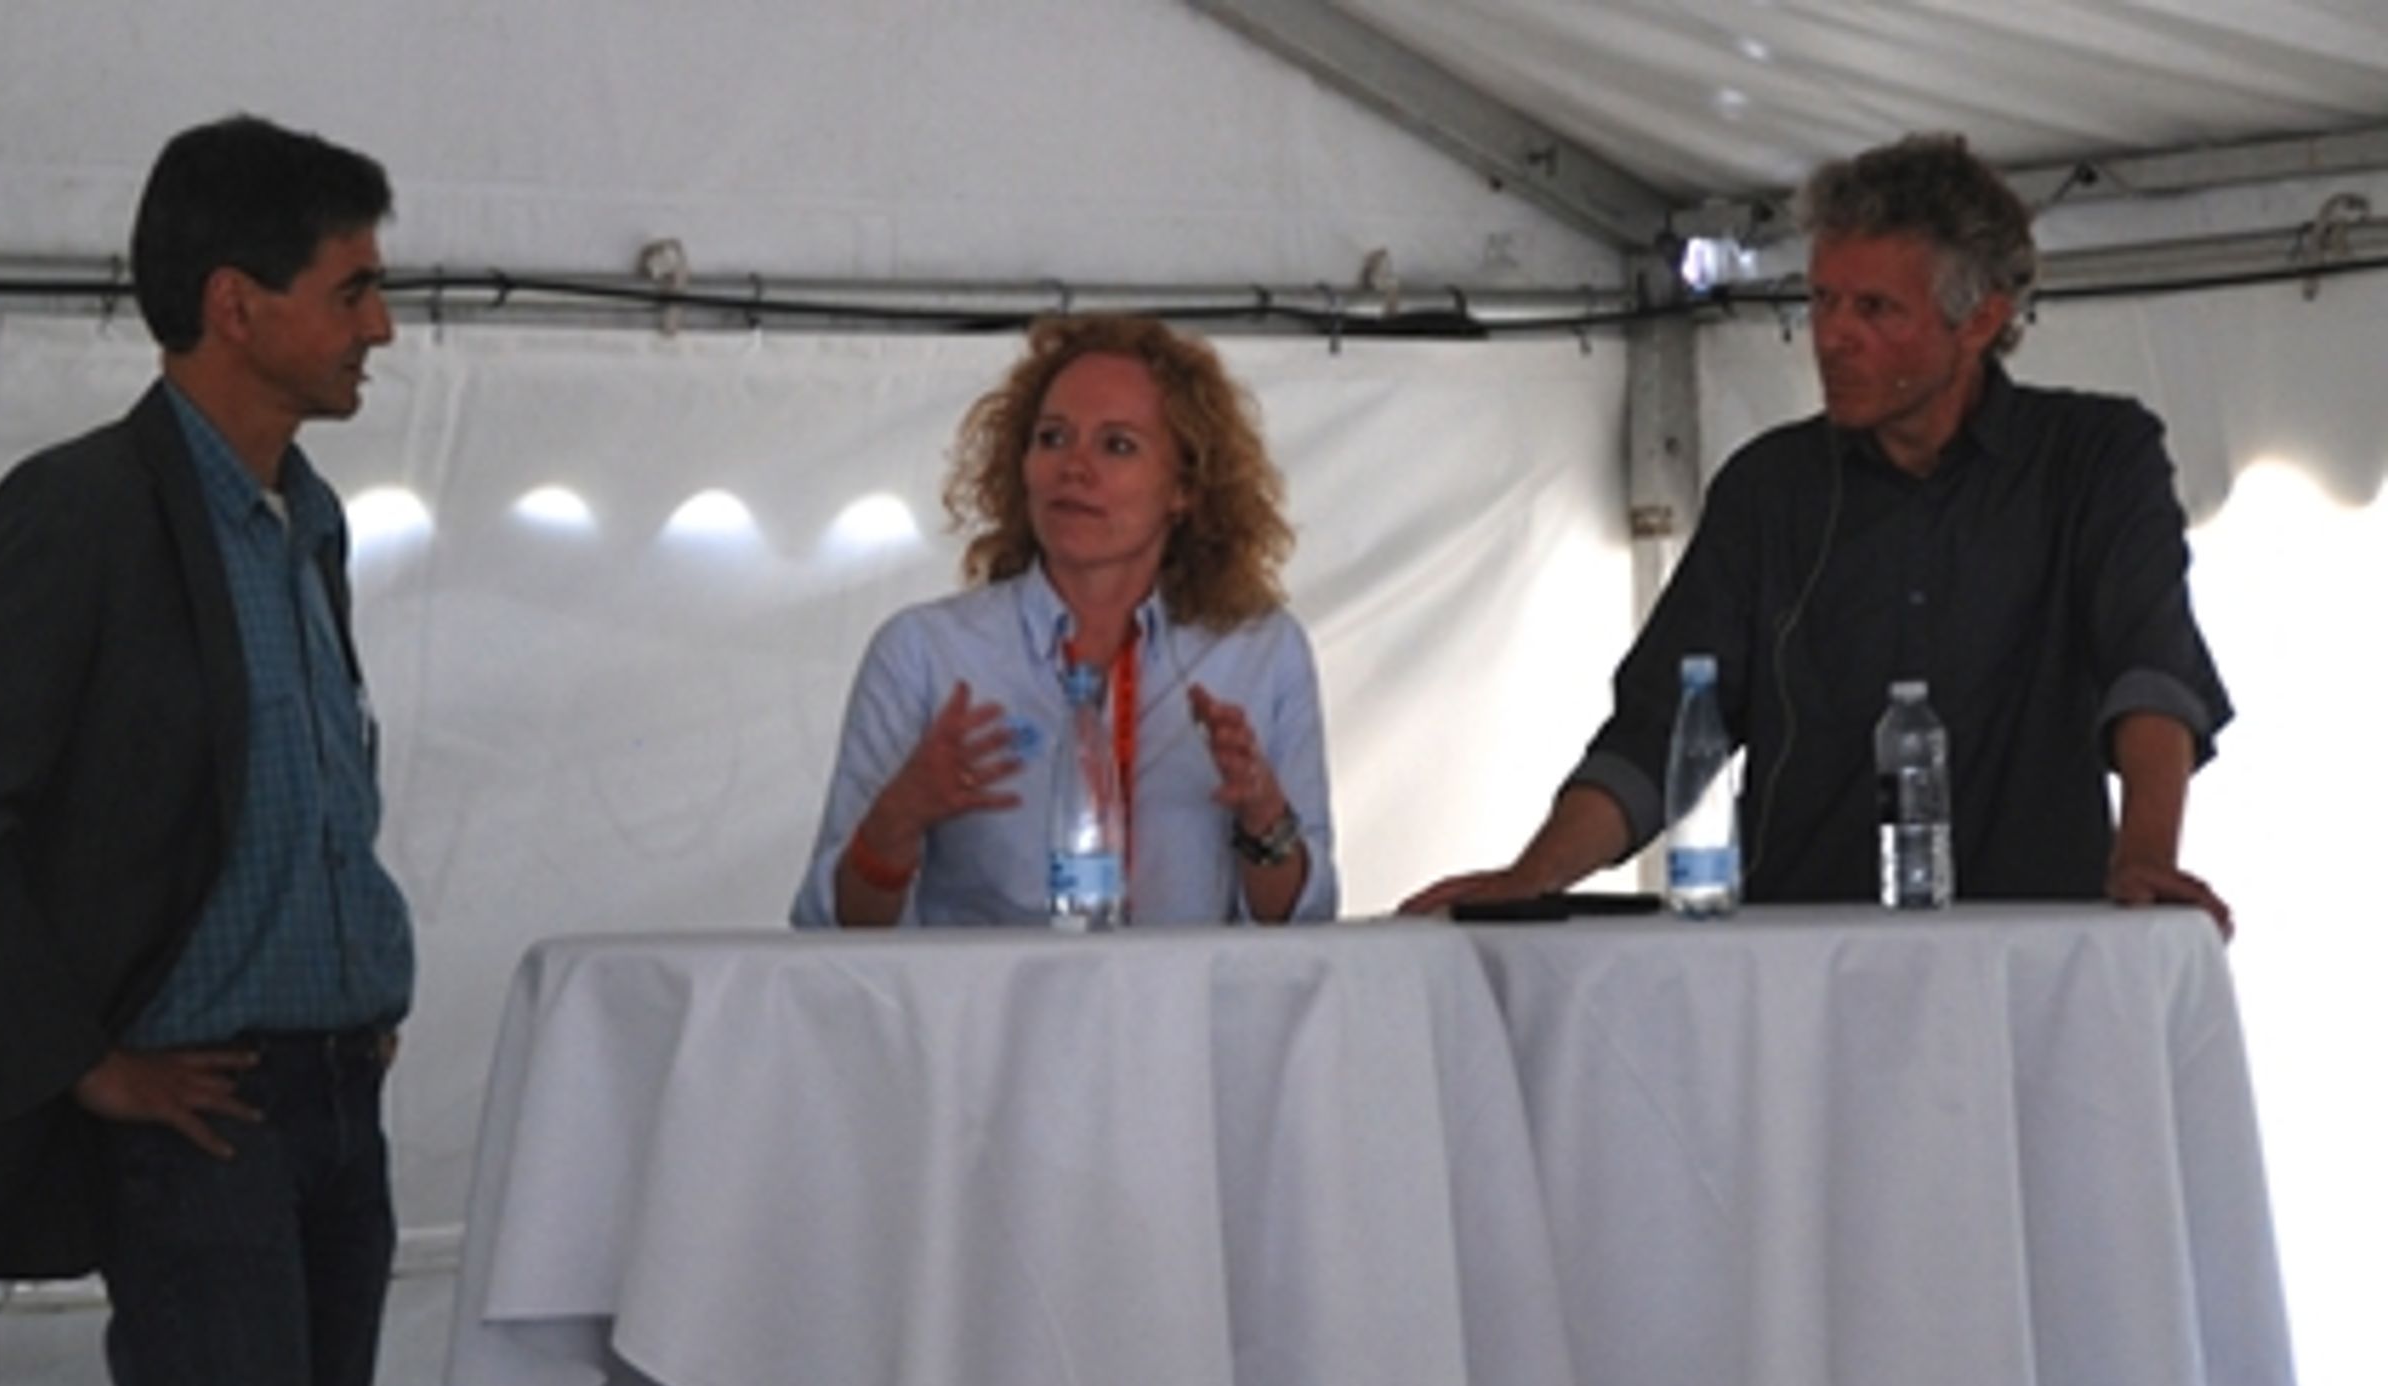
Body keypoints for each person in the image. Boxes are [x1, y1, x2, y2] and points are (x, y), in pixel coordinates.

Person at [0, 115, 412, 1386]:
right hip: (207, 1112)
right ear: (236, 305)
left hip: (341, 1094)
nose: (383, 326)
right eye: (353, 289)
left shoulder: (311, 517)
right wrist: (81, 1058)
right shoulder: (88, 508)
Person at [1406, 133, 2234, 931]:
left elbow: (2151, 667)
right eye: (1822, 299)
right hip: (1804, 971)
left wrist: (2147, 855)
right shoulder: (1769, 489)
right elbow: (1660, 725)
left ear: (1979, 322)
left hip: (2036, 958)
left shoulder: (2094, 458)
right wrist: (1536, 874)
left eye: (1874, 308)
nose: (1832, 335)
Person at [792, 313, 1337, 927]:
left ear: (1186, 485)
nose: (1073, 467)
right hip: (985, 1019)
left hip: (1183, 1019)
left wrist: (1264, 815)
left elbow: (1303, 924)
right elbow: (831, 931)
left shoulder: (1260, 653)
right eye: (1052, 437)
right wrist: (894, 823)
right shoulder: (926, 652)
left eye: (1117, 445)